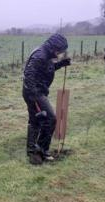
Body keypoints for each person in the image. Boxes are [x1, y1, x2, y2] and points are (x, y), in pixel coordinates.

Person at [23, 33, 71, 165]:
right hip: (34, 92)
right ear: (53, 47)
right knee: (50, 118)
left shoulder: (47, 54)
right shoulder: (40, 56)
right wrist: (34, 96)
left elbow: (47, 69)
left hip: (35, 91)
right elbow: (29, 75)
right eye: (60, 51)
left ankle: (32, 149)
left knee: (35, 120)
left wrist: (61, 64)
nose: (60, 53)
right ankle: (41, 150)